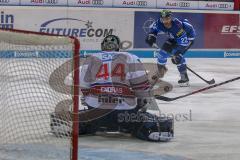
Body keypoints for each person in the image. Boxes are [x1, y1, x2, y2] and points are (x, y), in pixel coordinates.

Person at [51, 35, 174, 142]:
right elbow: (142, 88)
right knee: (144, 112)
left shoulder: (90, 59)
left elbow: (83, 88)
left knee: (86, 112)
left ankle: (84, 123)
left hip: (95, 113)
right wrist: (143, 101)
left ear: (102, 47)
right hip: (125, 115)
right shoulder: (130, 57)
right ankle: (144, 126)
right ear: (118, 47)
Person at [145, 10, 196, 86]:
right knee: (161, 55)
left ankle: (184, 77)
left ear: (171, 18)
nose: (165, 21)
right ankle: (159, 74)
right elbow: (153, 30)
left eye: (167, 19)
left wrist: (178, 54)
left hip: (188, 38)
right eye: (163, 19)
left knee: (178, 57)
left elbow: (183, 44)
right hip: (173, 37)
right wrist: (151, 37)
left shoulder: (177, 27)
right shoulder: (159, 22)